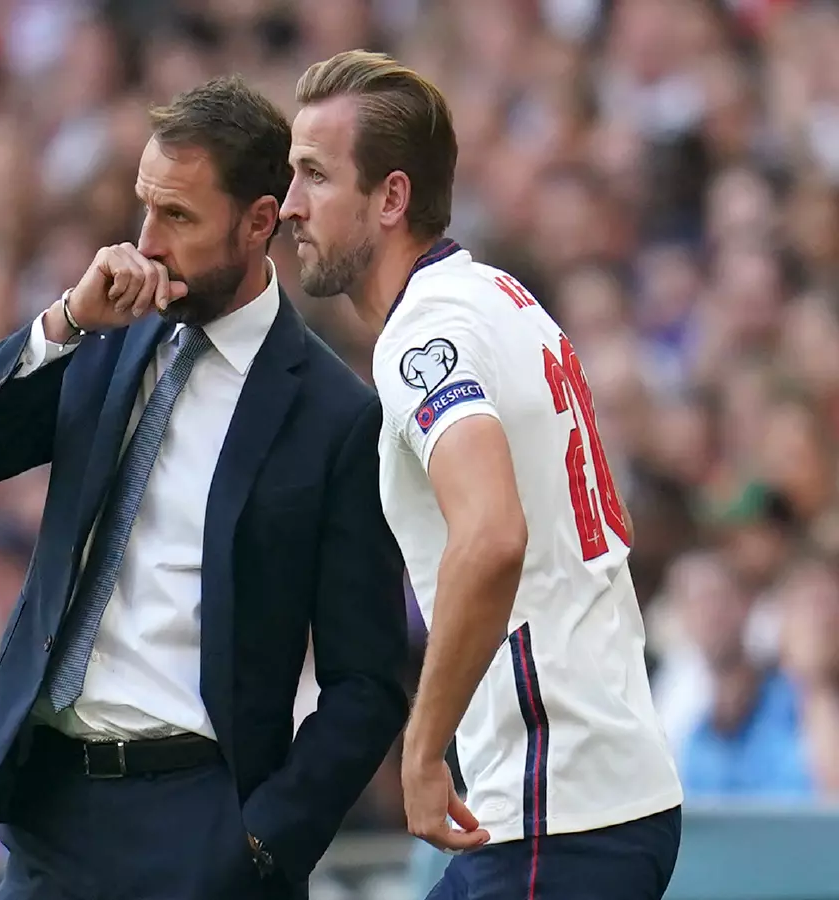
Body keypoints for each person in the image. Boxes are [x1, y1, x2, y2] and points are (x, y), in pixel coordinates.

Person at [0, 75, 408, 900]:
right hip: (51, 812)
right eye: (144, 206)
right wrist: (64, 322)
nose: (146, 241)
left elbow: (367, 681)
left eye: (178, 217)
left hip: (200, 822)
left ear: (259, 221)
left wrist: (264, 841)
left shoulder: (337, 417)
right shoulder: (104, 331)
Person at [281, 50, 684, 899]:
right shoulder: (504, 298)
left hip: (556, 811)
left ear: (391, 198)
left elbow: (495, 535)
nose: (289, 207)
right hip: (589, 791)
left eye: (315, 176)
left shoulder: (424, 335)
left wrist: (422, 752)